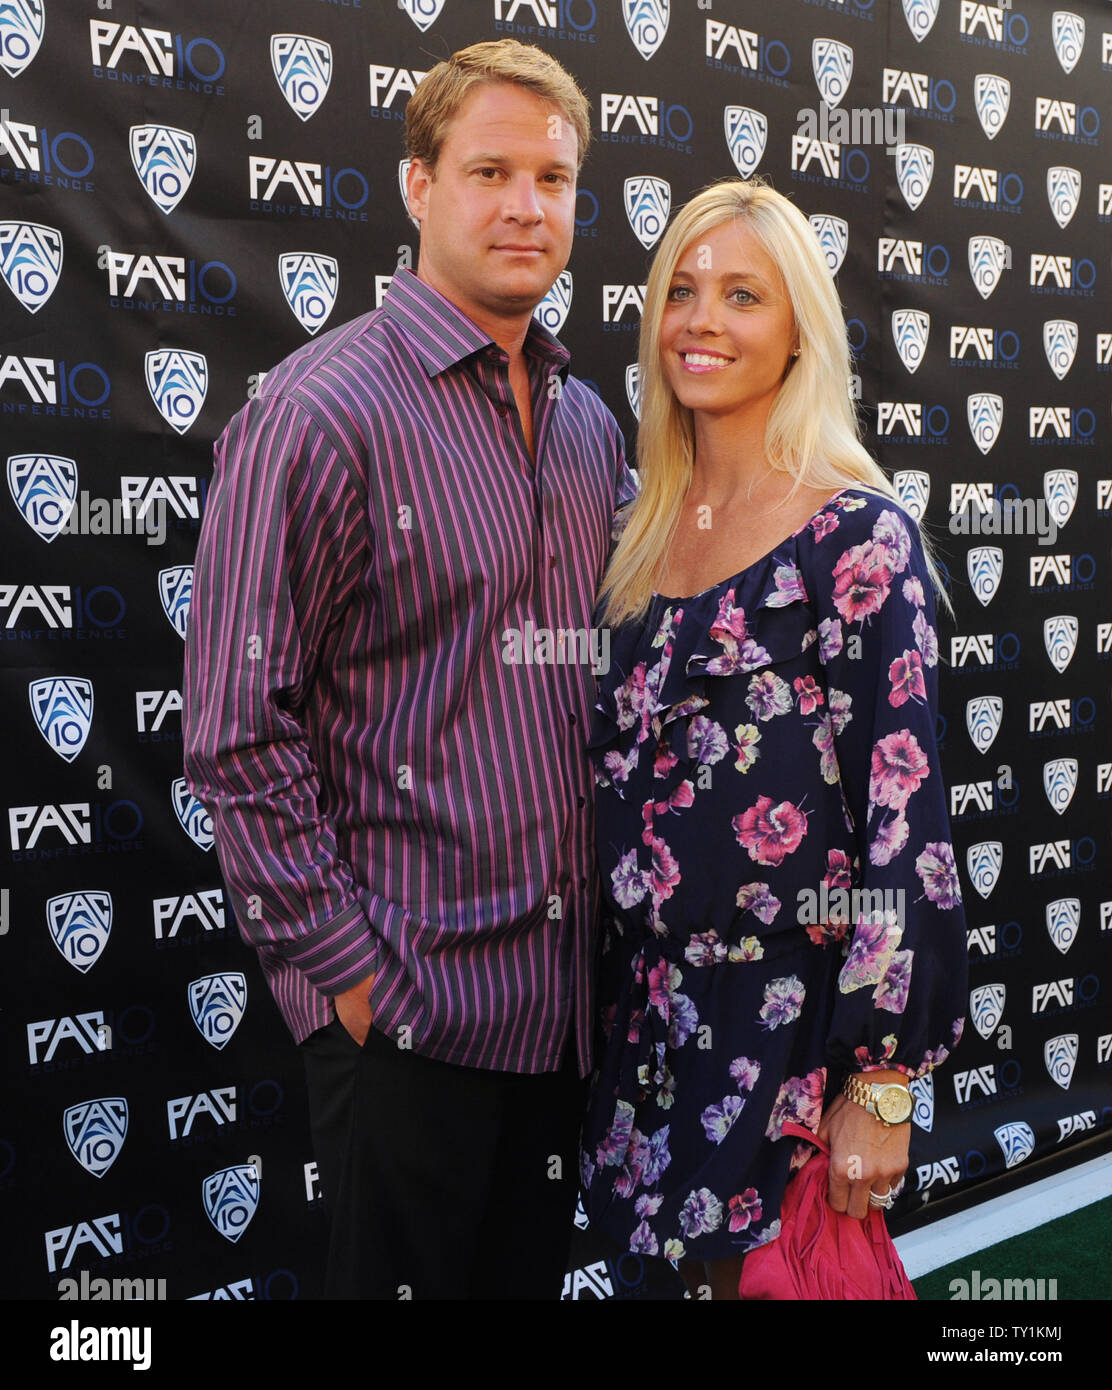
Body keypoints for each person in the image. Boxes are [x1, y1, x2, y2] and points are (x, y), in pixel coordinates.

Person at [183, 40, 632, 1300]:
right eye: (489, 169)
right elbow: (234, 731)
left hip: (558, 1015)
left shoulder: (590, 423)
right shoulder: (320, 412)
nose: (526, 206)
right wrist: (352, 977)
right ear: (419, 185)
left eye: (552, 177)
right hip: (410, 1015)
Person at [579, 179, 967, 1300]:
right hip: (645, 1037)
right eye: (682, 293)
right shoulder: (629, 534)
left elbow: (905, 832)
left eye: (741, 295)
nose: (701, 320)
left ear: (798, 329)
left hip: (790, 1044)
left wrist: (882, 1078)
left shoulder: (854, 537)